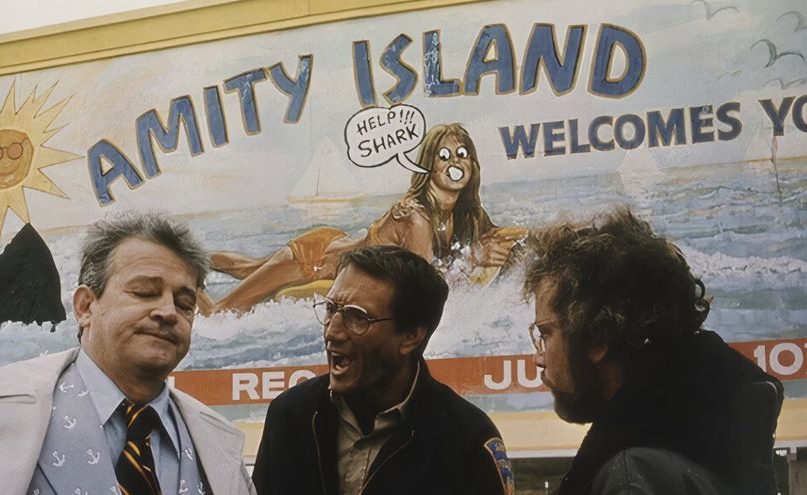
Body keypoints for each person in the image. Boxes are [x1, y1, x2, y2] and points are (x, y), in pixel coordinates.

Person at [0, 213, 255, 495]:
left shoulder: (218, 444)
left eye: (185, 303)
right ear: (86, 306)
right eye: (144, 291)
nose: (168, 312)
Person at [523, 209, 784, 495]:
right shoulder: (714, 443)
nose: (538, 357)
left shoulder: (634, 478)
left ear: (597, 339)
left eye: (546, 334)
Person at [253, 245, 515, 495]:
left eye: (357, 317)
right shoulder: (291, 415)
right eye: (331, 309)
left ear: (410, 336)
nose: (332, 331)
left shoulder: (466, 442)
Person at [205, 123, 524, 313]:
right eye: (444, 156)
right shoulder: (417, 217)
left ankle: (204, 260)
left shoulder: (466, 214)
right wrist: (473, 258)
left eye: (462, 154)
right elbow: (423, 285)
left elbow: (504, 236)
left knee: (247, 268)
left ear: (472, 164)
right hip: (314, 259)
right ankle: (187, 278)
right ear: (430, 165)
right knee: (222, 312)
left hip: (335, 241)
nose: (455, 162)